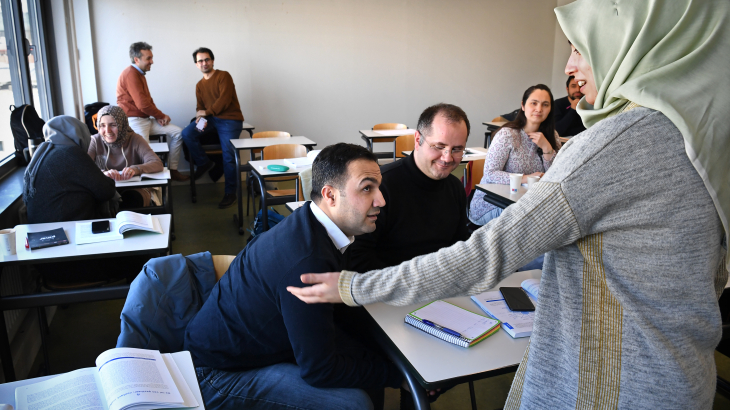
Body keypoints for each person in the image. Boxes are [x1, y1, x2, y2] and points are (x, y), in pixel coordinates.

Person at [288, 0, 730, 408]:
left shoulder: (617, 141)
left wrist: (351, 286)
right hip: (679, 376)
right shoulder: (706, 137)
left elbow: (484, 253)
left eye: (580, 48)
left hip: (613, 383)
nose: (572, 68)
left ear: (631, 44)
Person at [184, 143, 402, 410]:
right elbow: (320, 370)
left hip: (257, 347)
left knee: (370, 361)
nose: (381, 200)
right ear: (330, 195)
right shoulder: (306, 260)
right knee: (353, 404)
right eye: (367, 188)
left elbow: (338, 315)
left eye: (378, 187)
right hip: (218, 374)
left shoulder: (314, 223)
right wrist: (400, 375)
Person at [347, 103, 470, 272]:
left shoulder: (455, 188)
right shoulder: (380, 186)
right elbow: (358, 256)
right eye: (439, 147)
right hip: (389, 289)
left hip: (441, 288)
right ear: (418, 140)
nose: (447, 158)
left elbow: (459, 248)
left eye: (457, 149)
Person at [469, 84, 561, 227]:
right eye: (534, 103)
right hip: (492, 203)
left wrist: (546, 148)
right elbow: (490, 173)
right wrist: (525, 178)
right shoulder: (507, 134)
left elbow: (556, 176)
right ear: (523, 106)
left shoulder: (552, 136)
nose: (539, 109)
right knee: (532, 223)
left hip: (527, 203)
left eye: (545, 105)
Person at [181, 47, 244, 209]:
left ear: (212, 61)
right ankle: (204, 163)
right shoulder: (199, 85)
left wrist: (206, 112)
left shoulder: (224, 76)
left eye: (207, 59)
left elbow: (224, 100)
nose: (204, 63)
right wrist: (200, 117)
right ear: (196, 64)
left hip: (230, 120)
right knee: (187, 133)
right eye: (200, 61)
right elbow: (199, 107)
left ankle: (230, 193)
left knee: (228, 156)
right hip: (210, 120)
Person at [23, 116, 117, 223]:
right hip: (66, 227)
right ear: (80, 133)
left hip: (40, 225)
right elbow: (106, 190)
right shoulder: (71, 153)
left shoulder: (43, 150)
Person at [117, 42, 188, 182]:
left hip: (145, 120)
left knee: (178, 133)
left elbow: (148, 100)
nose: (152, 61)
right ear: (136, 59)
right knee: (146, 157)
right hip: (134, 121)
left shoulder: (139, 74)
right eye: (148, 58)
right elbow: (143, 105)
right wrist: (161, 115)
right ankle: (151, 190)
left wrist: (158, 117)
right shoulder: (131, 74)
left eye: (151, 58)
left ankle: (172, 170)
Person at [88, 105, 164, 208]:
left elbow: (157, 163)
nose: (108, 130)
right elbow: (84, 168)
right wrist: (103, 173)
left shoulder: (135, 139)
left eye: (113, 125)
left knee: (130, 201)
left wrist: (135, 169)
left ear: (122, 124)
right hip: (106, 189)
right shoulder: (95, 141)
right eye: (102, 125)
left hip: (134, 189)